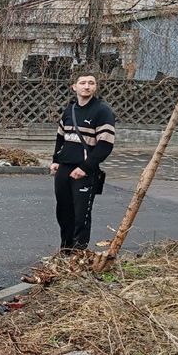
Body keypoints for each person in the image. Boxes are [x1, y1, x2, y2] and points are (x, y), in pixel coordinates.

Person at [50, 70, 116, 251]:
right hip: (64, 168)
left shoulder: (102, 111)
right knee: (63, 212)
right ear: (74, 87)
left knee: (81, 216)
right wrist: (56, 160)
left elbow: (105, 145)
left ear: (95, 87)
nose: (87, 86)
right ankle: (65, 250)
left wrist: (85, 168)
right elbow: (60, 137)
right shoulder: (69, 110)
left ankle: (78, 253)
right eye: (83, 83)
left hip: (85, 171)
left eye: (91, 83)